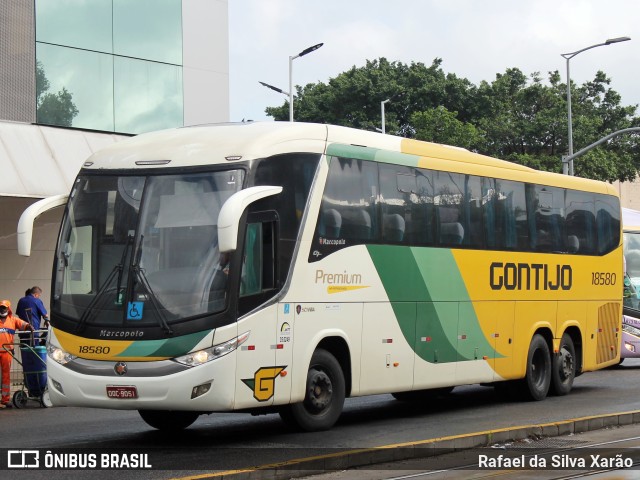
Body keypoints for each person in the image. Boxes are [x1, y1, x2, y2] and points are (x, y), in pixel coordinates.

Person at [0, 300, 34, 408]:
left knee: (6, 377)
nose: (2, 309)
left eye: (4, 308)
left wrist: (29, 326)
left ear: (8, 309)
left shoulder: (13, 320)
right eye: (1, 307)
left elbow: (23, 324)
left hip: (7, 352)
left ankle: (5, 400)